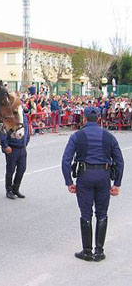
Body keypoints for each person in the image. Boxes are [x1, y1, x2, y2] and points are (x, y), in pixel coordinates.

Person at [61, 106, 124, 262]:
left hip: (85, 175)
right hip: (104, 176)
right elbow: (120, 161)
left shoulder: (77, 136)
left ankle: (87, 251)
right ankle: (99, 251)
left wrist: (69, 181)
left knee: (86, 213)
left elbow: (66, 161)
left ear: (84, 118)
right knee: (102, 213)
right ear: (99, 119)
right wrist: (117, 183)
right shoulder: (109, 136)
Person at [0, 112, 30, 199]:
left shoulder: (23, 115)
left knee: (22, 169)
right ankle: (8, 190)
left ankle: (15, 189)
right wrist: (5, 145)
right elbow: (3, 130)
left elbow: (26, 129)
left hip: (22, 147)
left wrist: (26, 141)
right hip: (12, 148)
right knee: (10, 170)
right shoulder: (9, 115)